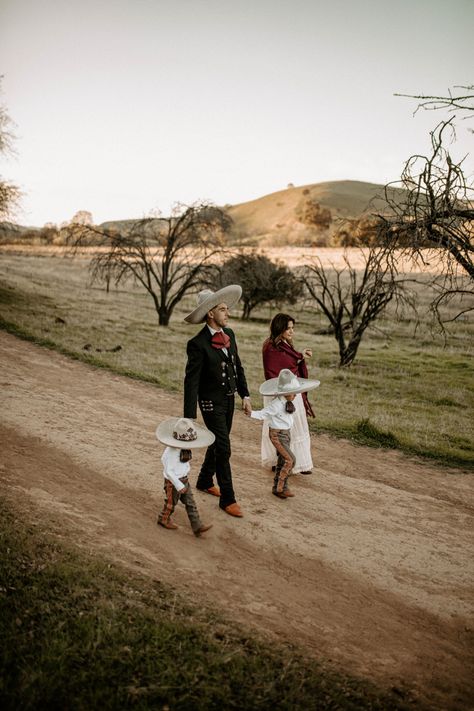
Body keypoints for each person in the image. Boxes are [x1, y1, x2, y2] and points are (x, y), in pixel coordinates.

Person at [183, 285, 252, 518]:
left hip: (229, 401)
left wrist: (245, 395)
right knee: (224, 448)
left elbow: (237, 367)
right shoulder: (197, 344)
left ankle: (203, 480)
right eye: (223, 309)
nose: (228, 313)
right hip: (210, 403)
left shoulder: (229, 335)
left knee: (217, 442)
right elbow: (191, 382)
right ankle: (228, 498)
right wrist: (190, 416)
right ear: (210, 313)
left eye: (226, 309)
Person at [246, 369, 320, 498]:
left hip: (286, 434)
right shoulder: (276, 405)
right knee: (290, 459)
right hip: (277, 435)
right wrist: (251, 413)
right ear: (285, 393)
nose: (295, 395)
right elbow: (264, 414)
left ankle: (278, 487)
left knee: (282, 460)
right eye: (293, 393)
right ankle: (281, 487)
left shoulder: (288, 402)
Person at [261, 313, 315, 475]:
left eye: (292, 328)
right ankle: (281, 461)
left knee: (294, 424)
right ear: (280, 328)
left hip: (291, 391)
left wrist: (300, 356)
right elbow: (277, 369)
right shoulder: (270, 346)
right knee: (279, 426)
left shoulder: (285, 344)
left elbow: (290, 364)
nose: (291, 331)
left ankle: (299, 463)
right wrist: (299, 357)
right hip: (277, 393)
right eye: (288, 328)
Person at [155, 417, 214, 537]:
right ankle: (163, 518)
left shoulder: (184, 449)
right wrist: (178, 484)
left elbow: (183, 463)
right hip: (173, 482)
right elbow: (169, 470)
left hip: (184, 479)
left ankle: (197, 526)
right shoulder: (171, 452)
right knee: (171, 503)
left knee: (190, 503)